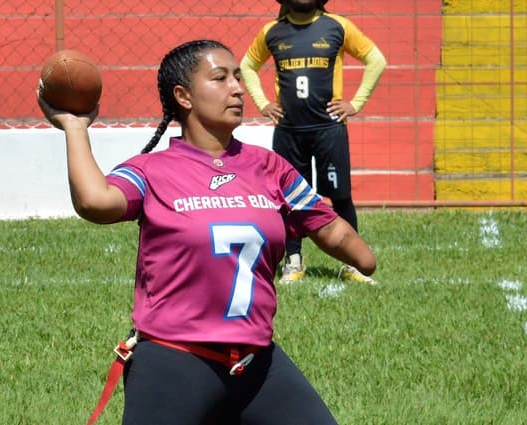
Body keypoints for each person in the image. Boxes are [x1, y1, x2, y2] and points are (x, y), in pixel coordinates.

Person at [38, 39, 376, 425]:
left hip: (257, 363)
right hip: (175, 361)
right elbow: (95, 202)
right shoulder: (154, 170)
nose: (237, 88)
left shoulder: (269, 167)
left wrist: (356, 251)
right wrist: (74, 127)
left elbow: (326, 226)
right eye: (220, 78)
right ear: (183, 96)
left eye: (237, 77)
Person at [240, 0, 386, 284]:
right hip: (289, 131)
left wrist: (356, 103)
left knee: (340, 195)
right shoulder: (272, 31)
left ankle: (352, 263)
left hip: (329, 129)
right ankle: (293, 260)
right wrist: (262, 103)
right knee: (289, 198)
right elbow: (247, 66)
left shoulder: (337, 26)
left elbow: (376, 59)